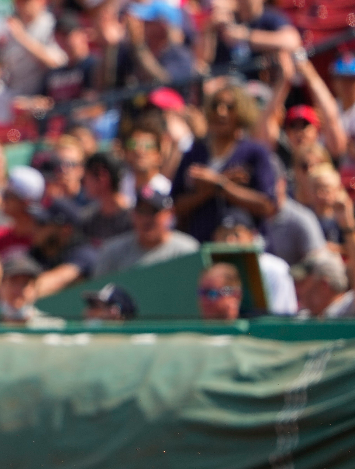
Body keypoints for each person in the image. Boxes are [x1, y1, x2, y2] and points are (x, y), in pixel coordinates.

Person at [172, 84, 276, 244]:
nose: (221, 112)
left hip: (245, 248)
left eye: (229, 107)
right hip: (201, 246)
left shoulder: (255, 152)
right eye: (215, 106)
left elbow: (267, 205)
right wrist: (215, 186)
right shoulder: (194, 153)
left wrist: (220, 184)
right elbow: (176, 206)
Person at [96, 188, 200, 277]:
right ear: (133, 215)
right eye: (141, 211)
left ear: (169, 214)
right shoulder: (113, 252)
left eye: (153, 212)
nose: (146, 219)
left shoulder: (187, 251)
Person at [212, 209, 298, 316]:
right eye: (224, 235)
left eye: (236, 235)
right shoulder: (211, 272)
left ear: (252, 236)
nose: (229, 242)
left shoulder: (275, 269)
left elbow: (281, 319)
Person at [294, 250, 353, 318]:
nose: (297, 289)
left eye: (302, 282)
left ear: (324, 285)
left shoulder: (349, 306)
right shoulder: (304, 316)